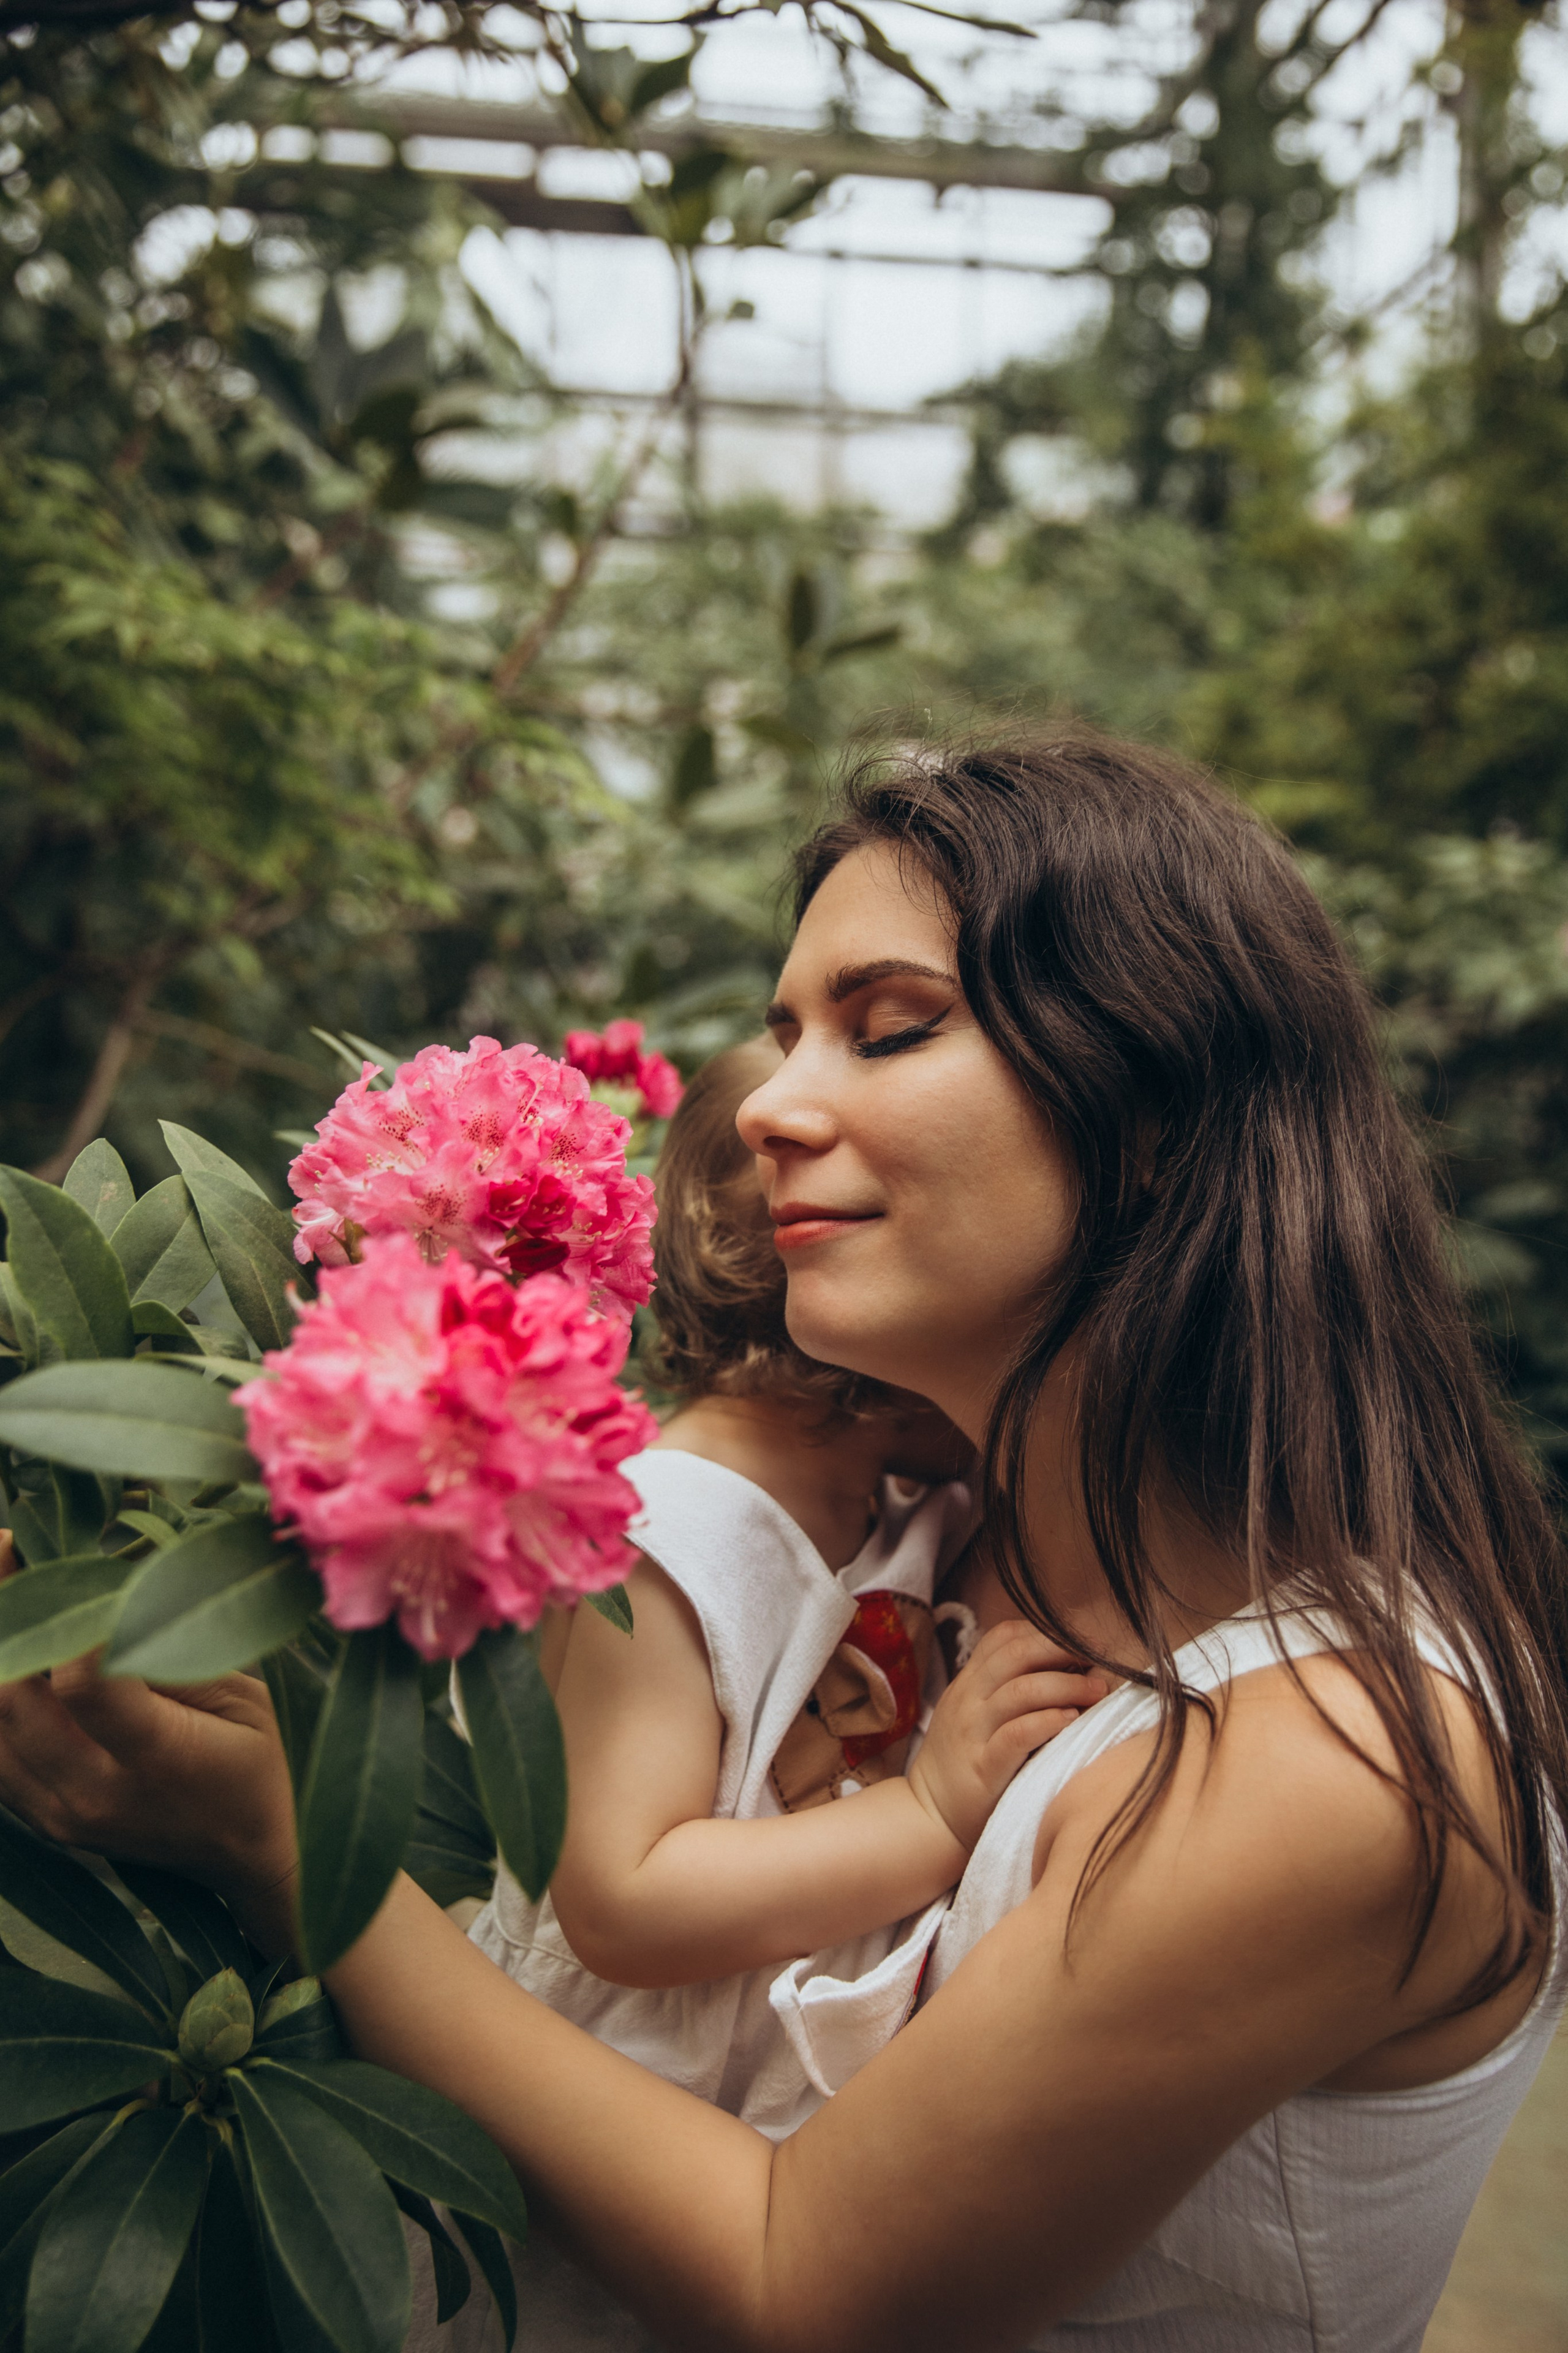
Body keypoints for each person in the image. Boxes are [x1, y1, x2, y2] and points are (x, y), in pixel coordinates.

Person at [4, 732, 1566, 2353]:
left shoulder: (1334, 1760)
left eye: (890, 1029)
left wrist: (280, 1848)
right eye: (786, 1032)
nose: (773, 1109)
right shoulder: (923, 1528)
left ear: (1155, 1110)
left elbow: (798, 2279)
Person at [468, 1036, 1103, 2148]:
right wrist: (931, 1811)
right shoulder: (668, 1527)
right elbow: (624, 1897)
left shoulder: (901, 1509)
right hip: (600, 2119)